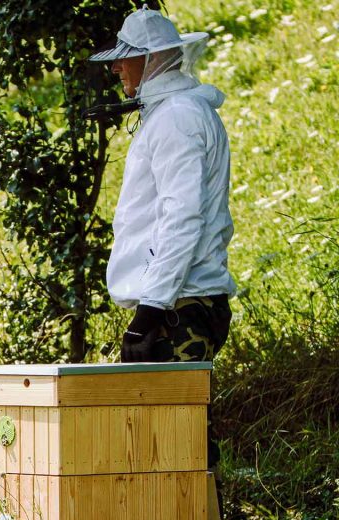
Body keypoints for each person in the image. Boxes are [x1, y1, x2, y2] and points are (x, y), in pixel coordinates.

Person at [90, 7, 236, 363]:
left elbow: (182, 217)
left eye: (127, 57)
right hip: (177, 302)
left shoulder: (177, 117)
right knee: (160, 419)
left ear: (153, 58)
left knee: (176, 419)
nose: (116, 67)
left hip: (181, 307)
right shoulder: (175, 112)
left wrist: (150, 311)